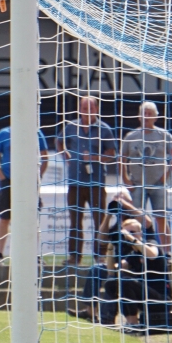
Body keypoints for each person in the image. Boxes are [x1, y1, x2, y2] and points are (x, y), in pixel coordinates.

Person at [58, 96, 118, 265]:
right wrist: (66, 156)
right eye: (84, 108)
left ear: (97, 110)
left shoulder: (104, 129)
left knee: (100, 221)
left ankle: (100, 256)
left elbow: (112, 154)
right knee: (75, 221)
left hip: (96, 183)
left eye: (90, 108)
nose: (87, 112)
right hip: (75, 182)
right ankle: (74, 257)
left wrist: (95, 157)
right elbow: (59, 142)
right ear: (79, 109)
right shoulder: (71, 127)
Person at [120, 101, 172, 252]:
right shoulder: (131, 136)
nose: (146, 116)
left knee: (160, 219)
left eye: (149, 114)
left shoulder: (164, 135)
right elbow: (122, 158)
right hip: (137, 183)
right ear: (139, 116)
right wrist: (125, 179)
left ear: (156, 117)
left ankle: (166, 254)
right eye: (144, 113)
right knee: (136, 219)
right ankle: (136, 252)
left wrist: (165, 175)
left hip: (158, 184)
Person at [0, 124, 50, 263]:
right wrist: (3, 178)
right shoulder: (4, 133)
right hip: (8, 181)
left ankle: (35, 254)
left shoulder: (36, 132)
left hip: (29, 182)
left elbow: (45, 157)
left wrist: (38, 177)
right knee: (4, 218)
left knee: (31, 218)